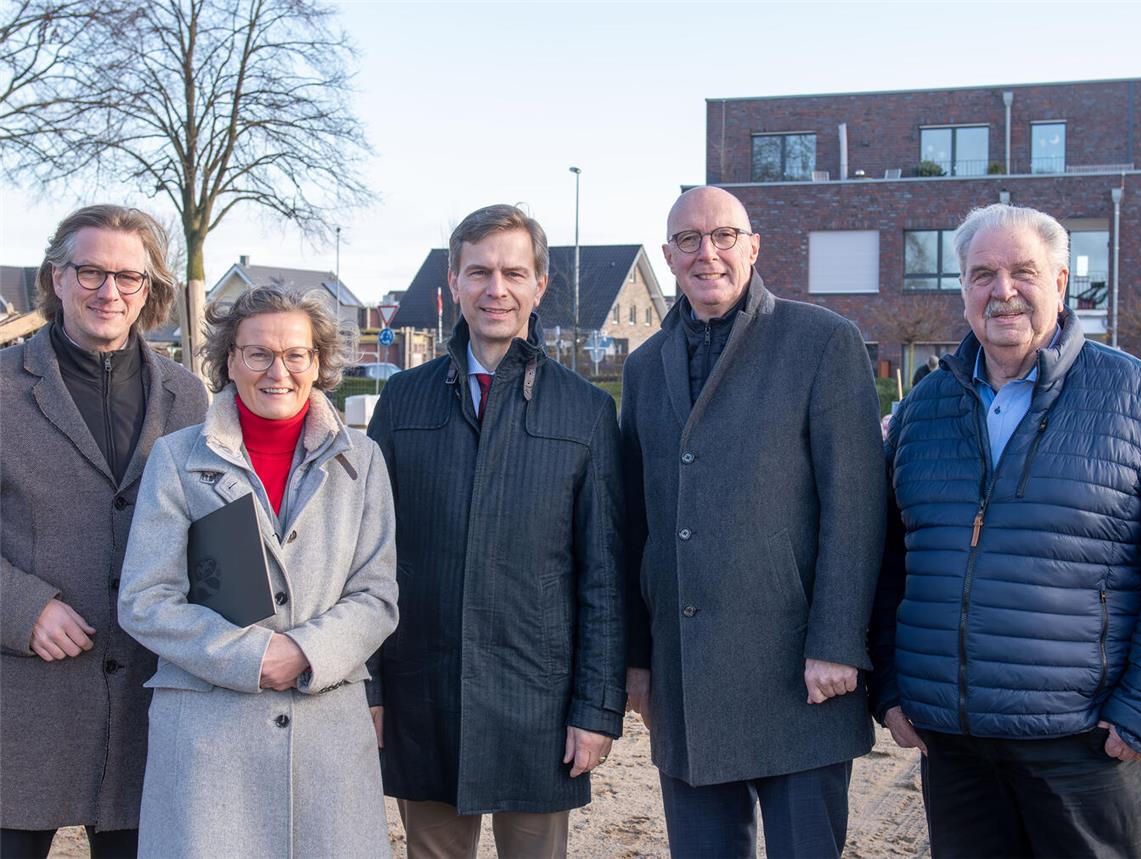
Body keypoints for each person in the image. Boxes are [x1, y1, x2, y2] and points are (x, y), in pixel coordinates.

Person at [871, 202, 1141, 858]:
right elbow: (885, 560)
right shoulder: (924, 409)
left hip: (1082, 744)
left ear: (1059, 282)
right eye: (982, 274)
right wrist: (891, 684)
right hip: (955, 743)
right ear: (963, 290)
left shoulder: (1132, 396)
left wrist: (1140, 705)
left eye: (1023, 271)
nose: (1003, 290)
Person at [622, 186, 886, 858]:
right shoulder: (645, 365)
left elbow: (855, 504)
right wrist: (637, 659)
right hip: (686, 678)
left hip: (801, 675)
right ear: (668, 255)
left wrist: (838, 640)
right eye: (688, 239)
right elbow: (634, 523)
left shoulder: (822, 341)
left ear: (754, 246)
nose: (707, 252)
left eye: (724, 236)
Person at [366, 204, 625, 859]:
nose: (496, 288)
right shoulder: (402, 401)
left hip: (537, 699)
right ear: (453, 281)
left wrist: (596, 708)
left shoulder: (586, 409)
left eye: (514, 271)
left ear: (540, 284)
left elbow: (603, 573)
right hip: (424, 691)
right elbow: (363, 555)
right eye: (479, 271)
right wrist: (368, 688)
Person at [116, 286, 399, 857]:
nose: (279, 371)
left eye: (296, 354)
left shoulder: (362, 463)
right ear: (229, 360)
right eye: (259, 354)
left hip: (327, 738)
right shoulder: (176, 459)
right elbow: (145, 599)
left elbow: (377, 595)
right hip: (209, 739)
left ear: (317, 364)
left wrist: (304, 652)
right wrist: (249, 657)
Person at [0, 205, 208, 858]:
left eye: (128, 276)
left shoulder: (188, 397)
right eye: (91, 271)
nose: (109, 291)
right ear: (56, 277)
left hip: (145, 710)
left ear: (151, 290)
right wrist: (20, 606)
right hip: (22, 701)